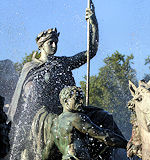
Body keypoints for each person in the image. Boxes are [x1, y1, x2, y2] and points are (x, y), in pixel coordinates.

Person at [8, 2, 99, 160]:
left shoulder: (63, 62)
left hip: (70, 110)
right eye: (50, 42)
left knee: (103, 117)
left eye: (56, 42)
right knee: (65, 125)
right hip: (45, 114)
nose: (54, 45)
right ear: (41, 46)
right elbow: (25, 98)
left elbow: (91, 50)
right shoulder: (31, 68)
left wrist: (94, 24)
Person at [50, 86, 127, 160]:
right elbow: (104, 136)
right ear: (66, 101)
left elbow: (47, 151)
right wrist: (127, 145)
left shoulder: (55, 123)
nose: (81, 102)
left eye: (81, 98)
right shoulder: (76, 118)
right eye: (76, 98)